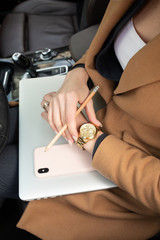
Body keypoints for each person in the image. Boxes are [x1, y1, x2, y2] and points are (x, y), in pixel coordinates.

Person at [17, 0, 160, 239]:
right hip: (86, 105)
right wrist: (78, 73)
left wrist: (88, 135)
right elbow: (105, 45)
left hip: (119, 176)